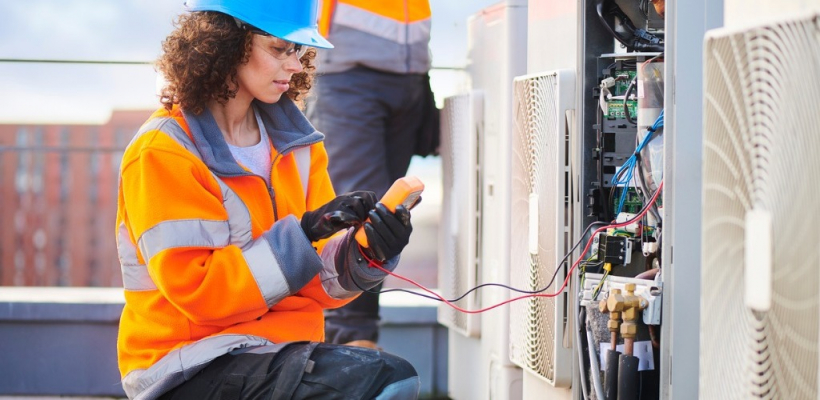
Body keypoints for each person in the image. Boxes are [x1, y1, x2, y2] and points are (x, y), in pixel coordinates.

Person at [114, 0, 419, 399]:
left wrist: (368, 251)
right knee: (384, 381)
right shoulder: (163, 152)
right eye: (279, 48)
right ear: (224, 43)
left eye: (299, 51)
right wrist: (304, 233)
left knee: (393, 378)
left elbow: (320, 286)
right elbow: (201, 293)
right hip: (187, 364)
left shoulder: (299, 147)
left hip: (278, 352)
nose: (295, 65)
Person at [307, 0, 439, 350]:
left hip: (411, 69)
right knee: (360, 212)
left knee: (389, 212)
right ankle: (350, 348)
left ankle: (354, 349)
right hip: (347, 71)